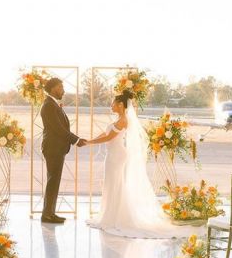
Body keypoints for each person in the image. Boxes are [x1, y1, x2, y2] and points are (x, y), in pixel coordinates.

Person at [86, 90, 181, 238]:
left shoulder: (123, 120)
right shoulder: (118, 119)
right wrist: (89, 140)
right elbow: (105, 135)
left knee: (115, 183)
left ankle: (115, 217)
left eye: (113, 103)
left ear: (120, 105)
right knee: (112, 183)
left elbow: (109, 137)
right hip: (113, 155)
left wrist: (89, 142)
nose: (111, 105)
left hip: (117, 156)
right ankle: (110, 214)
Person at [40, 77, 86, 224]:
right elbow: (58, 129)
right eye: (60, 87)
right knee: (53, 181)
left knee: (54, 181)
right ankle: (47, 215)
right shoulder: (48, 105)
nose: (63, 90)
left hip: (56, 148)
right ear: (53, 88)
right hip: (53, 148)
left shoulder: (53, 104)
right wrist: (76, 140)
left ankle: (50, 213)